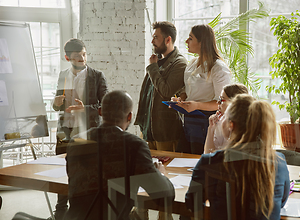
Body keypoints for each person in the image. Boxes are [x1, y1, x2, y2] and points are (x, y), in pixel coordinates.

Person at [65, 90, 175, 220]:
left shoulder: (77, 141)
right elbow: (164, 198)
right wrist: (161, 173)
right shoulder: (134, 145)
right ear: (129, 116)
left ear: (100, 112)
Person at [185, 95, 290, 220]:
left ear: (231, 125)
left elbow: (192, 203)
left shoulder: (210, 162)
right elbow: (280, 203)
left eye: (224, 117)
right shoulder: (278, 162)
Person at [51, 38, 108, 219]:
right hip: (65, 132)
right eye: (78, 56)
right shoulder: (63, 75)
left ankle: (84, 211)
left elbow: (105, 106)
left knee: (86, 173)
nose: (83, 59)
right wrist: (56, 103)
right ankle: (59, 212)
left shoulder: (97, 76)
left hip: (88, 131)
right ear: (68, 58)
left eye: (84, 54)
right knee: (63, 172)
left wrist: (86, 108)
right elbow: (57, 106)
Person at [174, 24, 231, 154]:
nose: (186, 41)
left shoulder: (218, 68)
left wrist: (197, 105)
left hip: (206, 122)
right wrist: (181, 98)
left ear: (202, 42)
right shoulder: (193, 63)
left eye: (190, 38)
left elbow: (222, 103)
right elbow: (188, 89)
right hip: (189, 120)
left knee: (198, 161)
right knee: (181, 157)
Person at [135, 21, 187, 152]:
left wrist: (152, 67)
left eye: (155, 37)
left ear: (168, 39)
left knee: (167, 170)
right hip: (148, 130)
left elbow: (166, 91)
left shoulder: (179, 63)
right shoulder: (157, 60)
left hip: (165, 133)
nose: (152, 41)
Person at [204, 83, 248, 154]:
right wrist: (211, 128)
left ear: (234, 102)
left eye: (222, 100)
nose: (218, 102)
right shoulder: (220, 120)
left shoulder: (245, 125)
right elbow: (208, 153)